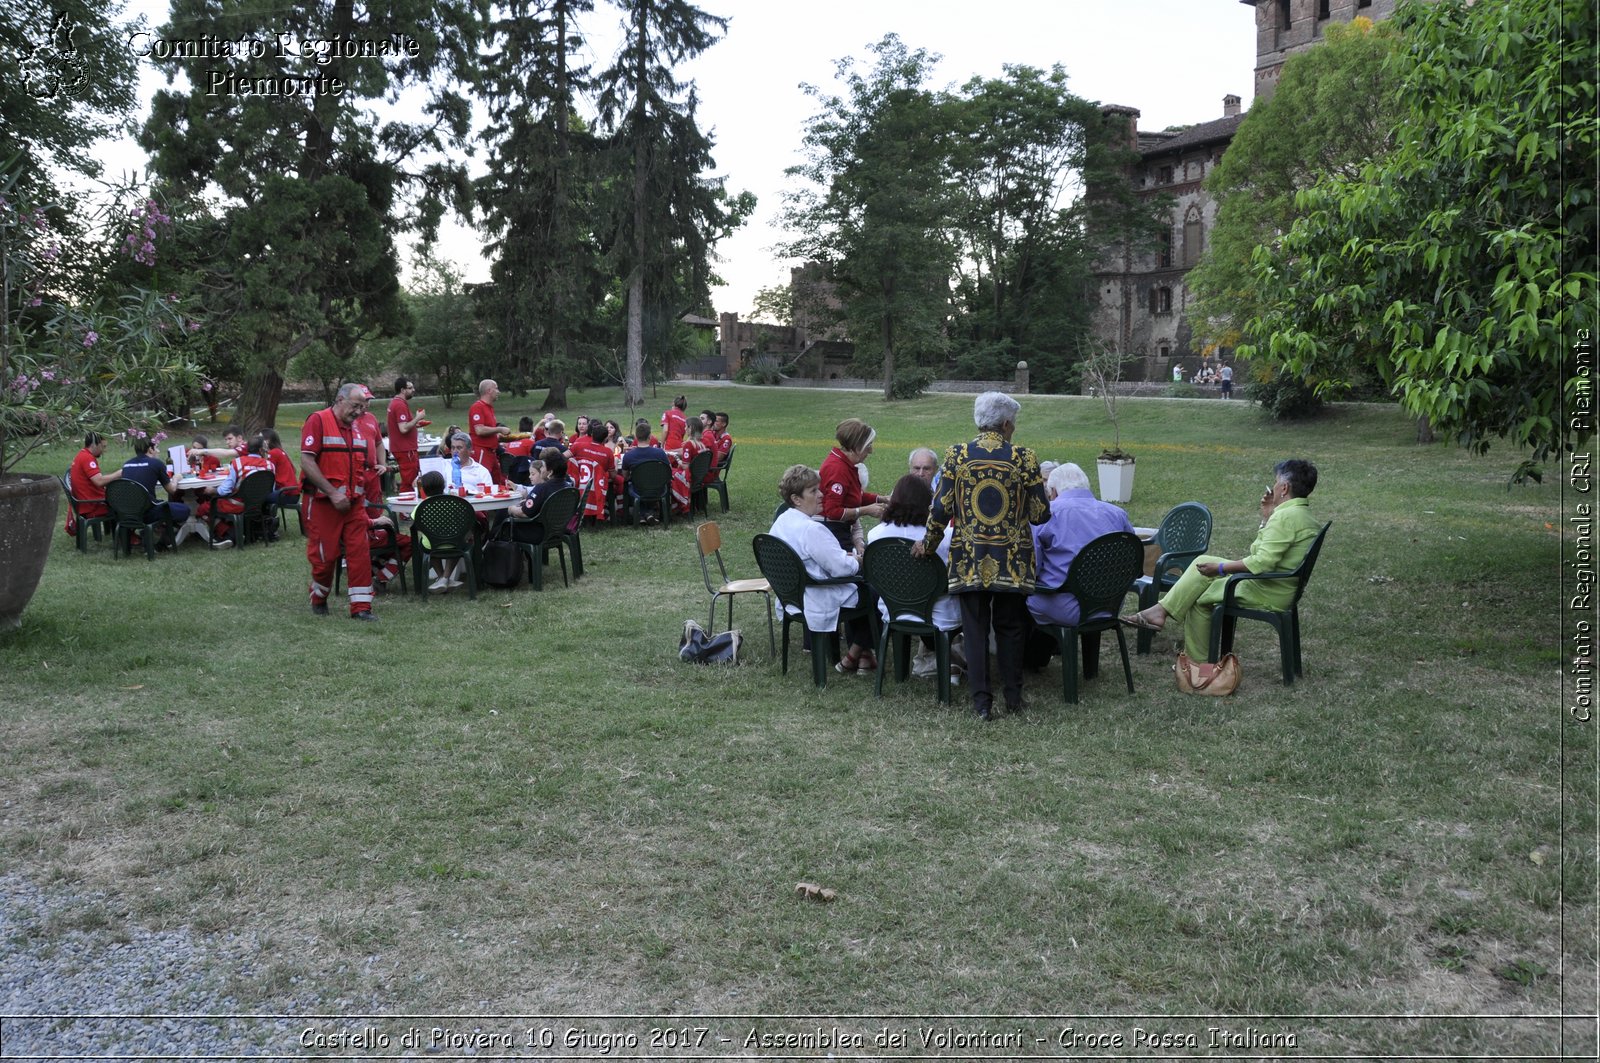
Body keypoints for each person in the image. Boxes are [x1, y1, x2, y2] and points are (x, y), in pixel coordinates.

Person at [914, 391, 1049, 720]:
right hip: (1012, 561)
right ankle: (1014, 699)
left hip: (968, 559)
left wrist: (928, 544)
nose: (1013, 430)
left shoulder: (956, 455)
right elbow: (1040, 514)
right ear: (1005, 424)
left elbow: (940, 508)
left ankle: (981, 705)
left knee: (973, 631)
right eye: (1013, 425)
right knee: (1011, 629)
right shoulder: (1024, 457)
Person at [1121, 459, 1321, 681]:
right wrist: (1266, 518)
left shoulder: (1285, 517)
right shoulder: (1304, 516)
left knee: (1199, 597)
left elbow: (1262, 562)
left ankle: (1197, 667)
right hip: (1282, 586)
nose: (1273, 487)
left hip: (1267, 588)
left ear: (1284, 488)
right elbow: (1263, 554)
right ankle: (1161, 613)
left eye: (1275, 482)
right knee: (1204, 563)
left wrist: (1221, 568)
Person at [770, 464, 875, 674]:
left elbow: (809, 557)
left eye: (819, 489)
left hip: (792, 595)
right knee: (878, 594)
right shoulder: (811, 529)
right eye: (813, 491)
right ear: (796, 499)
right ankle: (858, 654)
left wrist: (844, 558)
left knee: (869, 592)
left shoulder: (782, 522)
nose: (821, 495)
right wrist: (858, 559)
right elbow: (841, 569)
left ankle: (857, 655)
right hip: (817, 595)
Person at [866, 474, 961, 679]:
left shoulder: (875, 535)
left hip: (895, 609)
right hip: (939, 612)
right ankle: (965, 661)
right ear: (929, 501)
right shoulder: (945, 538)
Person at [1026, 462, 1136, 630]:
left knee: (1018, 598)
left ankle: (1038, 653)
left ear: (1053, 491)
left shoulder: (1047, 515)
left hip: (1063, 606)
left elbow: (1032, 567)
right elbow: (1131, 560)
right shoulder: (1117, 514)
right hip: (1110, 605)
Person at [300, 382, 378, 620]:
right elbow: (306, 461)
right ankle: (319, 595)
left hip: (353, 505)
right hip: (324, 504)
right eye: (355, 406)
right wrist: (333, 493)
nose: (359, 412)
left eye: (363, 408)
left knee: (360, 553)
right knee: (326, 557)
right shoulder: (318, 420)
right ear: (340, 400)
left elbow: (361, 465)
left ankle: (361, 608)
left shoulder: (356, 429)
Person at [821, 418, 886, 551]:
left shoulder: (845, 464)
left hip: (839, 529)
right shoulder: (838, 469)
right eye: (868, 446)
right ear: (856, 447)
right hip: (832, 531)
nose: (871, 451)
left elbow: (853, 495)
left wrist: (881, 498)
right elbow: (832, 512)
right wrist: (866, 510)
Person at [118, 436, 189, 545]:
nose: (158, 451)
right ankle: (162, 534)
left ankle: (158, 530)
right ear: (150, 449)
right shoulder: (156, 463)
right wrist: (176, 478)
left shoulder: (126, 465)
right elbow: (171, 490)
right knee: (184, 510)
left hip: (127, 512)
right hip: (147, 512)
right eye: (156, 447)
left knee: (164, 505)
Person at [620, 419, 671, 521]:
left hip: (638, 489)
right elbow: (668, 470)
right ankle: (649, 513)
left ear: (636, 437)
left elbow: (625, 476)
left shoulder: (628, 456)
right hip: (658, 488)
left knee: (629, 485)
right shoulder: (660, 453)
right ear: (650, 436)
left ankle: (643, 513)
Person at [385, 377, 427, 491]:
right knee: (410, 481)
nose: (413, 390)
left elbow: (402, 425)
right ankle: (405, 507)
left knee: (410, 479)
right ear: (402, 390)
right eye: (410, 388)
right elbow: (403, 428)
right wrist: (418, 417)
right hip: (405, 449)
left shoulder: (396, 403)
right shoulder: (399, 405)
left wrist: (415, 424)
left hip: (403, 448)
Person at [468, 378, 511, 484]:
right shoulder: (477, 407)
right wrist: (500, 429)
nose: (498, 392)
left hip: (492, 452)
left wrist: (498, 436)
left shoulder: (489, 408)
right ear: (489, 390)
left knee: (498, 481)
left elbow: (488, 431)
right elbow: (479, 430)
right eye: (496, 389)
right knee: (482, 482)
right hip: (481, 450)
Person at [69, 432, 120, 518]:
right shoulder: (87, 458)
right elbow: (99, 481)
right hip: (92, 505)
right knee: (125, 505)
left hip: (85, 503)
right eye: (103, 447)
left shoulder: (81, 455)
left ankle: (114, 531)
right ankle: (126, 531)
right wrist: (119, 473)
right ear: (94, 445)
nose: (104, 450)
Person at [444, 428, 496, 494]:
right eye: (453, 448)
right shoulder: (443, 465)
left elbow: (488, 495)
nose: (455, 451)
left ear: (469, 450)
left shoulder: (481, 471)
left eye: (459, 448)